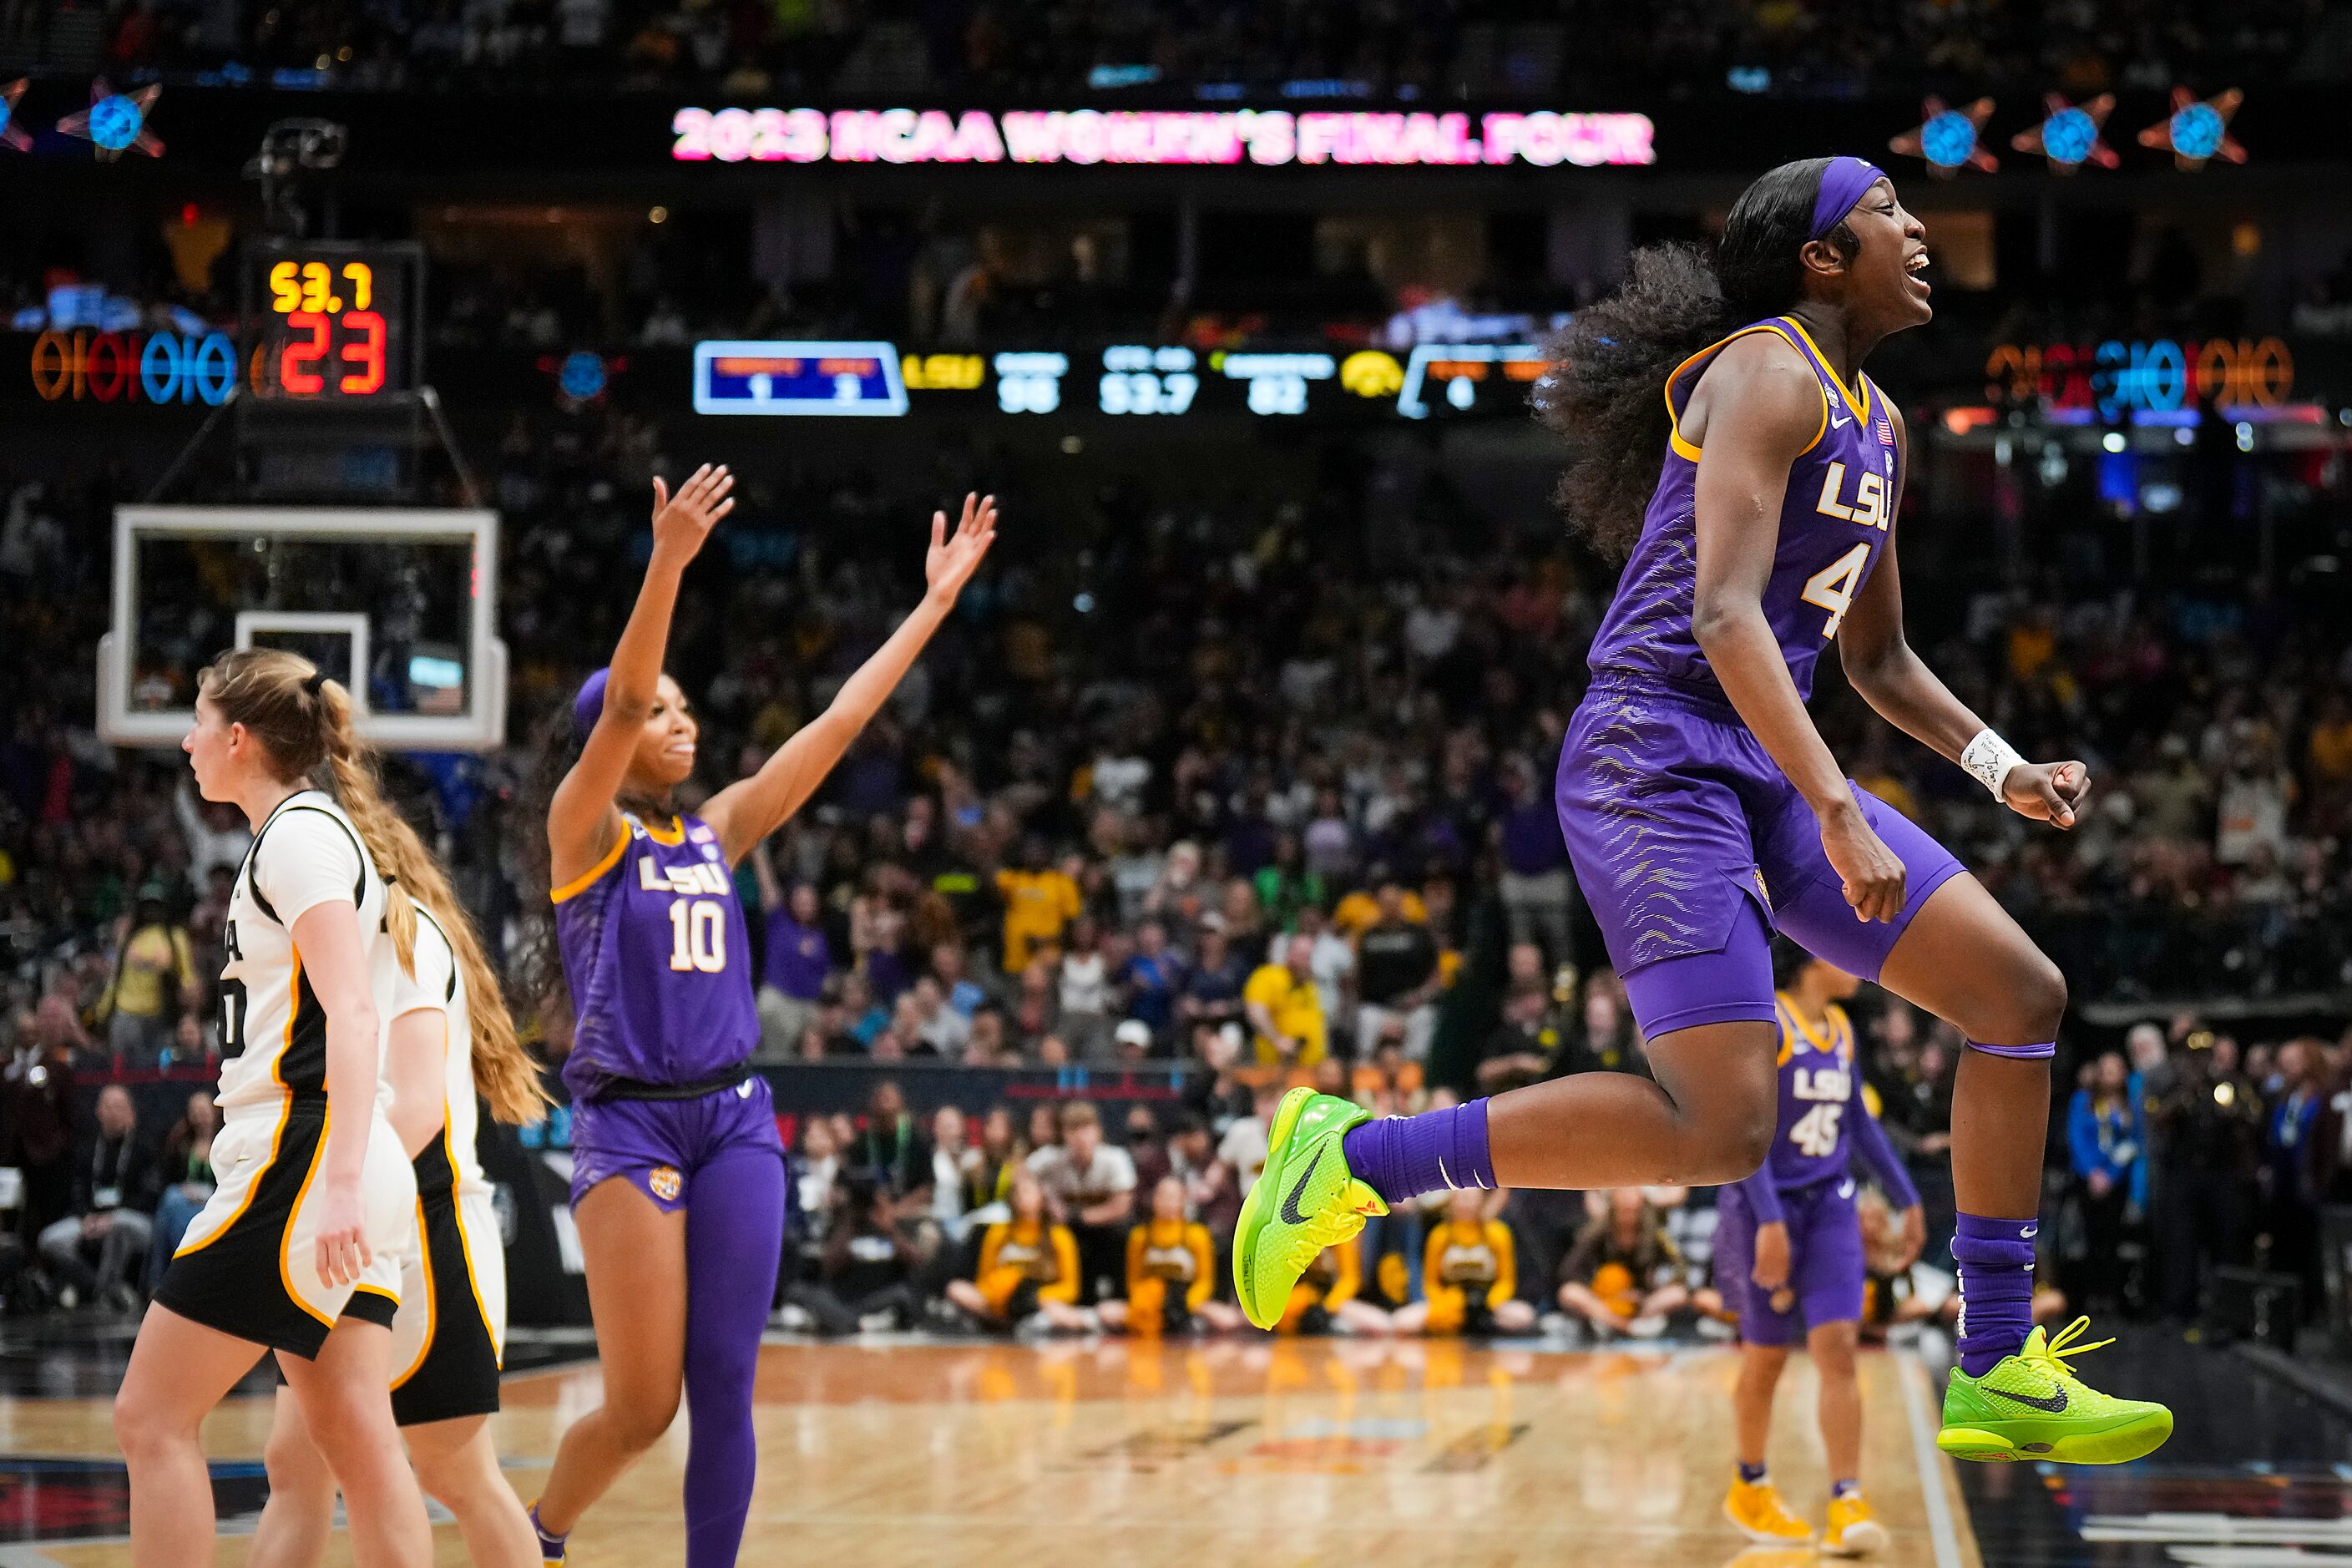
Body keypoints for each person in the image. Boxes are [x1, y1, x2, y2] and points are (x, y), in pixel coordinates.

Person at [1231, 156, 2170, 1465]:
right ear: (1820, 260)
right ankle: (1358, 1156)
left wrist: (1995, 764)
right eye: (1889, 211)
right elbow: (1723, 613)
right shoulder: (1765, 372)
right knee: (1723, 1127)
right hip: (1652, 755)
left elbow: (1877, 661)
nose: (1918, 230)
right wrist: (1839, 806)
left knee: (2018, 995)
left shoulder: (1879, 422)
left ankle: (1998, 1361)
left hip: (1760, 759)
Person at [529, 469, 998, 1568]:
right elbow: (630, 685)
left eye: (690, 706)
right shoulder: (582, 830)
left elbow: (839, 721)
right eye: (659, 712)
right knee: (642, 1407)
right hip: (630, 1126)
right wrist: (668, 562)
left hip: (734, 1118)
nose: (680, 720)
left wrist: (932, 603)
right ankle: (540, 1531)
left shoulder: (719, 827)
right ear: (615, 737)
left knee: (726, 1382)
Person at [117, 650, 430, 1565]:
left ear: (239, 738)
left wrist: (332, 1185)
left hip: (309, 1159)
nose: (187, 740)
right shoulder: (308, 833)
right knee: (357, 1444)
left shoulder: (299, 838)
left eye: (199, 722)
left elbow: (354, 1011)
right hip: (343, 1161)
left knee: (149, 1418)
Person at [250, 830, 551, 1568]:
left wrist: (325, 1189)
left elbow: (415, 1109)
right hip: (355, 1230)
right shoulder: (340, 936)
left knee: (456, 1471)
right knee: (297, 1465)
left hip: (425, 1227)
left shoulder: (401, 934)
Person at [1715, 946, 1923, 1555]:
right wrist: (1769, 1221)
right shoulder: (1769, 1022)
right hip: (1762, 1208)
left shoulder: (1842, 1030)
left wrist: (1907, 1197)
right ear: (1809, 962)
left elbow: (1858, 1123)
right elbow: (1740, 1130)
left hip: (1830, 1205)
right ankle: (1749, 1483)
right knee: (1766, 1358)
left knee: (1838, 1350)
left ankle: (1846, 1497)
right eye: (1841, 954)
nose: (1856, 965)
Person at [38, 1084, 156, 1310]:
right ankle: (96, 1286)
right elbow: (78, 1192)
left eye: (119, 1106)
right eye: (107, 1106)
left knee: (120, 1226)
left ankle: (107, 1288)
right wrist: (86, 1217)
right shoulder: (88, 1149)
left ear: (131, 1112)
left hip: (132, 1219)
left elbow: (149, 1197)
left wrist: (111, 1218)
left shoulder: (144, 1149)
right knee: (50, 1239)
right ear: (98, 1111)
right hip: (91, 1218)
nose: (112, 1112)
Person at [945, 1168, 1091, 1334]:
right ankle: (1009, 1324)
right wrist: (1003, 1292)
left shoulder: (1059, 1236)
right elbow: (983, 1280)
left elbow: (1072, 1288)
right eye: (1016, 1192)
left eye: (1027, 1191)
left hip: (1039, 1303)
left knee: (1065, 1315)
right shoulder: (998, 1233)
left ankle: (1028, 1324)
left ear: (1041, 1196)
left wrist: (1035, 1297)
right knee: (957, 1289)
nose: (1021, 1196)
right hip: (1000, 1304)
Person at [1098, 1175, 1242, 1335]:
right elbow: (1134, 1281)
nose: (1167, 1202)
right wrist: (1148, 1301)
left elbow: (1205, 1282)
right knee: (1107, 1312)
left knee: (1228, 1319)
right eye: (1162, 1196)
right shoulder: (1140, 1237)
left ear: (1183, 1201)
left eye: (1173, 1197)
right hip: (1150, 1303)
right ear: (1154, 1200)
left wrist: (1187, 1302)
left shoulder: (1197, 1236)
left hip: (1187, 1302)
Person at [1024, 1100, 1136, 1303]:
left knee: (1121, 1236)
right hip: (1069, 1228)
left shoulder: (1114, 1158)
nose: (1080, 1137)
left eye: (1085, 1129)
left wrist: (1080, 1217)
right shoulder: (1052, 1159)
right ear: (1064, 1135)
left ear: (1098, 1132)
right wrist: (1048, 1199)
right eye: (1072, 1130)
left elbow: (1122, 1206)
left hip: (1105, 1229)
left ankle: (1120, 1299)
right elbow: (1021, 1174)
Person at [1393, 1188, 1534, 1337]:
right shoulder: (1439, 1235)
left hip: (1488, 1304)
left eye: (1470, 1198)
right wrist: (1448, 1302)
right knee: (1402, 1321)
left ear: (1481, 1200)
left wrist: (1489, 1302)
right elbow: (1430, 1284)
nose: (1465, 1204)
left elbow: (1506, 1282)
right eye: (1460, 1197)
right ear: (1450, 1201)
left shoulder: (1498, 1233)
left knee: (1524, 1315)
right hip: (1449, 1303)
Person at [1553, 1188, 1690, 1338]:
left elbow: (1679, 1269)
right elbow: (1569, 1270)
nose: (1628, 1217)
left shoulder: (1656, 1235)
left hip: (1642, 1303)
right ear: (1613, 1209)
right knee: (1570, 1293)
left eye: (1633, 1211)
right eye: (1623, 1211)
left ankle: (1637, 1324)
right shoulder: (1596, 1234)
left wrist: (1645, 1295)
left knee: (1677, 1294)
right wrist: (1603, 1293)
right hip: (1604, 1302)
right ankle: (1619, 1325)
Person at [2067, 1050, 2141, 1313]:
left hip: (2116, 1181)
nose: (2110, 1076)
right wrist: (2093, 1173)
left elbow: (2133, 1143)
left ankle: (2110, 1297)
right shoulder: (2083, 1101)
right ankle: (2086, 1298)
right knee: (2088, 1237)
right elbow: (2076, 1138)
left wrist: (2110, 1175)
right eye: (2105, 1070)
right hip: (2088, 1179)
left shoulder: (2130, 1105)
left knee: (2112, 1240)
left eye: (2116, 1070)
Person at [146, 1090, 220, 1288]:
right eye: (195, 1111)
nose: (199, 1116)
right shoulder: (182, 1143)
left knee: (168, 1208)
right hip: (185, 1202)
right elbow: (169, 1179)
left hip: (215, 1201)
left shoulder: (225, 1142)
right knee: (171, 1202)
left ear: (214, 1112)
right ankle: (180, 1276)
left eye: (203, 1111)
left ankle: (164, 1279)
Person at [1243, 934, 1328, 1070]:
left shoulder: (1309, 985)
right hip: (1278, 1068)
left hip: (1312, 1070)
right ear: (1290, 954)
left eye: (1309, 957)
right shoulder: (1268, 976)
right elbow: (1255, 1011)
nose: (1306, 962)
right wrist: (1277, 1039)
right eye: (1302, 956)